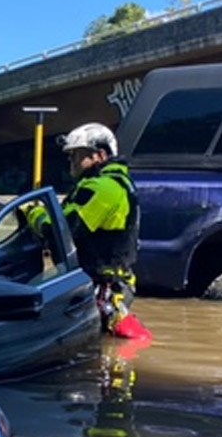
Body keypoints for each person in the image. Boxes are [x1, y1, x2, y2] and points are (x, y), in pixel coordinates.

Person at [26, 123, 148, 338]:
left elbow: (60, 232)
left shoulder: (102, 188)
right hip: (107, 286)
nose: (70, 161)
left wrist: (33, 215)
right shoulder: (111, 183)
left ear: (100, 155)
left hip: (102, 290)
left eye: (76, 155)